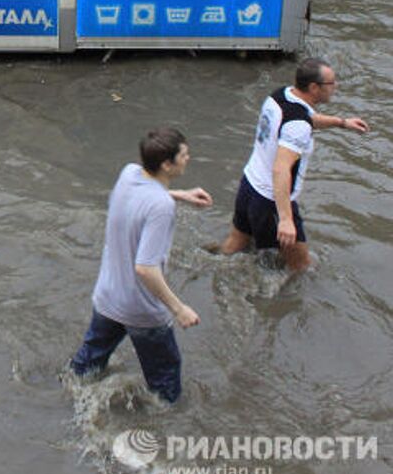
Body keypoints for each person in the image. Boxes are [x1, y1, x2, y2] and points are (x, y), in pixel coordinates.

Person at [70, 127, 212, 403]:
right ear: (166, 164)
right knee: (165, 382)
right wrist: (179, 308)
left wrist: (180, 194)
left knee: (88, 363)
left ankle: (69, 396)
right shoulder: (161, 207)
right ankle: (164, 432)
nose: (188, 158)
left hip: (108, 297)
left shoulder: (129, 174)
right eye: (184, 155)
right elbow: (146, 268)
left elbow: (141, 198)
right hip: (142, 310)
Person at [216, 57, 369, 271]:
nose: (336, 87)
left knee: (235, 244)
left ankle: (209, 270)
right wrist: (286, 219)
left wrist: (341, 123)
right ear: (314, 87)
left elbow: (305, 118)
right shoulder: (297, 124)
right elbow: (281, 168)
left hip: (249, 186)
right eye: (331, 83)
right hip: (270, 201)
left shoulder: (281, 96)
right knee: (300, 267)